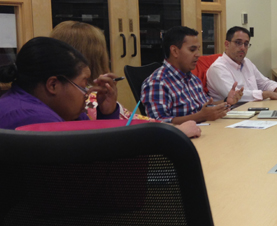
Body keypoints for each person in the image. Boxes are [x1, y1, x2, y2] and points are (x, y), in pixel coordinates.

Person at [50, 21, 202, 138]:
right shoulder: (86, 98)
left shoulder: (91, 97)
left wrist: (109, 112)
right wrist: (176, 131)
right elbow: (114, 133)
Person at [0, 37, 120, 130]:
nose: (87, 94)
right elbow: (100, 158)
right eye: (83, 87)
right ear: (53, 85)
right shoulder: (31, 118)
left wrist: (107, 113)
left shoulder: (62, 110)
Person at [141, 26, 244, 125]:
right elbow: (158, 123)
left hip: (204, 131)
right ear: (175, 51)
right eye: (192, 50)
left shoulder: (193, 79)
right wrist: (201, 116)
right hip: (180, 139)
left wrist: (227, 102)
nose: (198, 54)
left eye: (198, 49)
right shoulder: (157, 83)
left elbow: (205, 108)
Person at [207, 26, 277, 102]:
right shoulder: (218, 68)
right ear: (227, 44)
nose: (243, 48)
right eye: (238, 42)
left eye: (246, 44)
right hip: (231, 113)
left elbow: (264, 83)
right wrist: (268, 94)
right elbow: (235, 96)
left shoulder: (247, 62)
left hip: (254, 109)